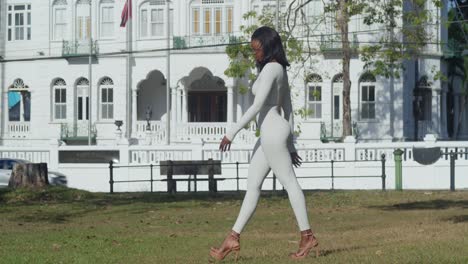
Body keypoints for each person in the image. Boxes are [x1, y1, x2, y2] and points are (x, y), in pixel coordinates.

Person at [209, 26, 319, 261]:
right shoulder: (278, 69)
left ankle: (307, 235)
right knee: (253, 187)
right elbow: (288, 109)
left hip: (271, 133)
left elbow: (258, 105)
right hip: (270, 134)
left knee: (290, 183)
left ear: (268, 47)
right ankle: (232, 237)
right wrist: (290, 145)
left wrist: (232, 132)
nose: (255, 54)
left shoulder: (271, 69)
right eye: (253, 50)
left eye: (257, 49)